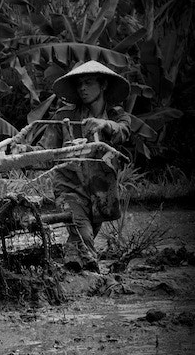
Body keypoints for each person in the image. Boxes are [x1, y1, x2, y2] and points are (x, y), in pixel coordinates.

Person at [41, 60, 132, 273]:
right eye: (79, 84)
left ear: (103, 85)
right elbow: (43, 149)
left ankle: (73, 277)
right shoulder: (65, 116)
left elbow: (123, 131)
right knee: (83, 233)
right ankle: (96, 277)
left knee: (78, 240)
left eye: (88, 83)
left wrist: (105, 125)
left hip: (101, 191)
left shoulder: (117, 115)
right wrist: (21, 149)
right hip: (69, 187)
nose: (82, 88)